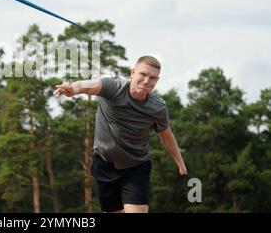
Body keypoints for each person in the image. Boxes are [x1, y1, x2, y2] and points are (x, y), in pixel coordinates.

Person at [54, 55, 187, 213]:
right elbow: (86, 85)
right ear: (132, 73)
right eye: (143, 74)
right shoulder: (113, 88)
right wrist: (73, 89)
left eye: (152, 78)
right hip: (104, 163)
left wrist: (180, 162)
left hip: (136, 166)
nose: (146, 81)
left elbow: (166, 136)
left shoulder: (157, 108)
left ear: (156, 81)